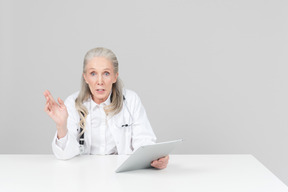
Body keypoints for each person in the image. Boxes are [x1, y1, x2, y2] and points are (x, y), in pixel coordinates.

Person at [43, 47, 169, 169]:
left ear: (115, 77)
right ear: (85, 77)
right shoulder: (73, 102)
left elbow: (144, 142)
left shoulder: (131, 100)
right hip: (85, 175)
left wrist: (155, 158)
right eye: (93, 73)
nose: (100, 81)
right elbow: (64, 155)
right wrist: (61, 126)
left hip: (122, 174)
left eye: (106, 73)